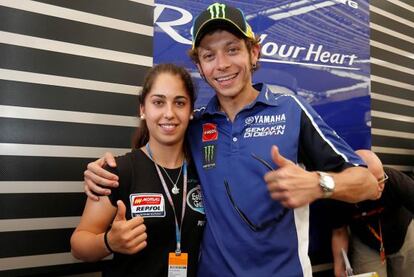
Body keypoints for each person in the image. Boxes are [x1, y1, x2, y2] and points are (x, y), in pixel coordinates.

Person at [83, 3, 378, 276]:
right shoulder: (196, 123)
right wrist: (105, 171)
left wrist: (319, 184)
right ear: (200, 66)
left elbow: (368, 185)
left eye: (232, 49)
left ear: (254, 53)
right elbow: (154, 155)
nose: (221, 64)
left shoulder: (290, 110)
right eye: (209, 55)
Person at [71, 64, 205, 276]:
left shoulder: (205, 172)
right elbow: (79, 245)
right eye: (158, 102)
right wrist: (109, 242)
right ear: (143, 109)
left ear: (190, 111)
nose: (169, 113)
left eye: (179, 103)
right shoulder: (117, 171)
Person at [331, 150, 414, 277]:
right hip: (367, 242)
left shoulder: (393, 179)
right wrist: (339, 266)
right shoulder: (341, 197)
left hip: (403, 235)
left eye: (383, 179)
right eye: (377, 182)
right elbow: (339, 232)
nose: (382, 186)